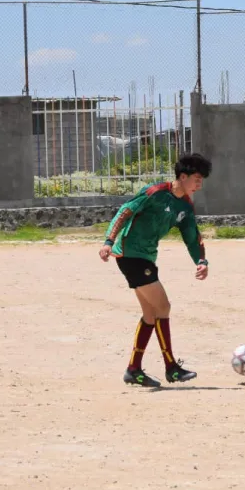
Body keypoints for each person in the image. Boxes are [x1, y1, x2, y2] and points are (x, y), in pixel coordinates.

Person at [99, 153, 212, 387]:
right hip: (130, 255)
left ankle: (133, 369)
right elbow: (125, 212)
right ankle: (171, 367)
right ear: (183, 176)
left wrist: (201, 261)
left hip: (147, 258)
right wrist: (108, 241)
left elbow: (192, 236)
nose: (200, 183)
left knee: (151, 314)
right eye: (197, 178)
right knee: (164, 306)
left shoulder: (185, 205)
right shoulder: (155, 193)